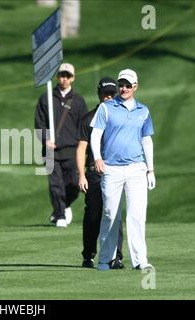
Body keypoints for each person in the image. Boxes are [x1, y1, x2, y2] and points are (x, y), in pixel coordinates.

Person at [90, 69, 156, 271]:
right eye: (121, 84)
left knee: (137, 215)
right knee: (110, 213)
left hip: (137, 168)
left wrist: (150, 170)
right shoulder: (106, 108)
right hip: (111, 168)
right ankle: (105, 259)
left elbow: (146, 140)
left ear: (135, 86)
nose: (124, 88)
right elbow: (96, 134)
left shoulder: (143, 111)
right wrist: (97, 157)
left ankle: (140, 261)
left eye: (128, 85)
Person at [76, 77, 124, 269]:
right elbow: (81, 149)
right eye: (106, 93)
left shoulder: (121, 117)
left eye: (112, 93)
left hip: (117, 172)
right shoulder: (88, 118)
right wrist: (81, 175)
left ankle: (116, 257)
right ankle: (89, 254)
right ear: (99, 94)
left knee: (114, 214)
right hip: (94, 174)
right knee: (94, 215)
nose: (109, 97)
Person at [35, 63, 88, 227]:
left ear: (73, 78)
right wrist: (45, 140)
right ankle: (60, 216)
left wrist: (83, 147)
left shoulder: (78, 101)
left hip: (72, 150)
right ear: (57, 77)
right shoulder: (46, 98)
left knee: (73, 185)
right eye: (61, 75)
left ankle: (64, 206)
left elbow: (84, 126)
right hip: (51, 151)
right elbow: (39, 123)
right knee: (55, 184)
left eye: (68, 75)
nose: (64, 79)